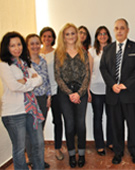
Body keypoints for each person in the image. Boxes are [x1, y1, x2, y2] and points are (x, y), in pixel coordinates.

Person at [100, 18, 135, 164]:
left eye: (122, 28)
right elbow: (103, 69)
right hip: (113, 94)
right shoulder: (107, 49)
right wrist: (113, 84)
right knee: (116, 126)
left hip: (130, 93)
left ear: (127, 30)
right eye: (117, 28)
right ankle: (118, 152)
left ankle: (134, 151)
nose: (119, 31)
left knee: (132, 125)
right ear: (114, 30)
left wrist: (125, 84)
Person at [0, 31, 44, 169]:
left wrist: (24, 81)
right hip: (13, 113)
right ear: (6, 47)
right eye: (12, 45)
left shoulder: (25, 62)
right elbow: (14, 86)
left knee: (38, 144)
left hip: (31, 110)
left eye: (19, 44)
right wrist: (30, 81)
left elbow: (40, 79)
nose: (17, 48)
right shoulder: (4, 65)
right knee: (19, 149)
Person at [54, 23, 90, 168]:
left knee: (80, 125)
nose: (70, 36)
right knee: (69, 125)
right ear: (63, 36)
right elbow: (57, 76)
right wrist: (70, 93)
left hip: (81, 92)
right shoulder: (59, 53)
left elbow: (87, 75)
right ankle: (71, 155)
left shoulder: (83, 52)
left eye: (73, 33)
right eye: (67, 34)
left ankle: (81, 154)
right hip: (64, 94)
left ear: (77, 35)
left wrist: (79, 93)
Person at [25, 33, 51, 168]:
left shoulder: (43, 60)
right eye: (32, 44)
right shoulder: (24, 62)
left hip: (43, 99)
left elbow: (46, 80)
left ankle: (39, 159)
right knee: (31, 132)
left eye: (37, 43)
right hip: (30, 100)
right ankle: (33, 160)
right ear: (27, 46)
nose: (35, 46)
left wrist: (49, 96)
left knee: (39, 131)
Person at [39, 26, 65, 161]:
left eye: (49, 36)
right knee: (38, 123)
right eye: (44, 36)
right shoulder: (35, 53)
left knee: (57, 121)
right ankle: (37, 152)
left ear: (53, 38)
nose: (47, 39)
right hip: (39, 93)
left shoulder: (57, 53)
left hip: (55, 92)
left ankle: (57, 148)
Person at [88, 26, 113, 155]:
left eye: (105, 33)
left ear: (108, 36)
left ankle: (110, 142)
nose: (102, 36)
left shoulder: (113, 49)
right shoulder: (92, 51)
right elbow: (89, 71)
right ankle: (99, 144)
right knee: (98, 117)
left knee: (111, 117)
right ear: (97, 37)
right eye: (100, 34)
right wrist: (87, 90)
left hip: (110, 88)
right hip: (96, 89)